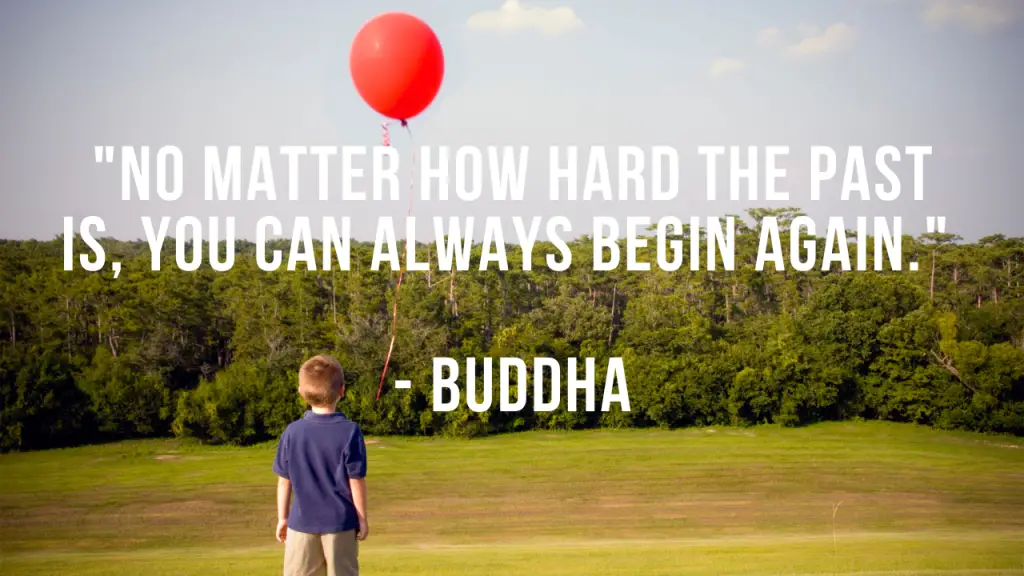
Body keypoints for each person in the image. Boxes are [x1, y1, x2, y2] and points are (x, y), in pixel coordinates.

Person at [273, 355, 368, 576]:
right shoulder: (350, 431)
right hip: (341, 524)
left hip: (300, 524)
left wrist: (282, 518)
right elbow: (356, 480)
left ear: (301, 392)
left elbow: (283, 482)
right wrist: (362, 518)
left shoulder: (292, 432)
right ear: (342, 390)